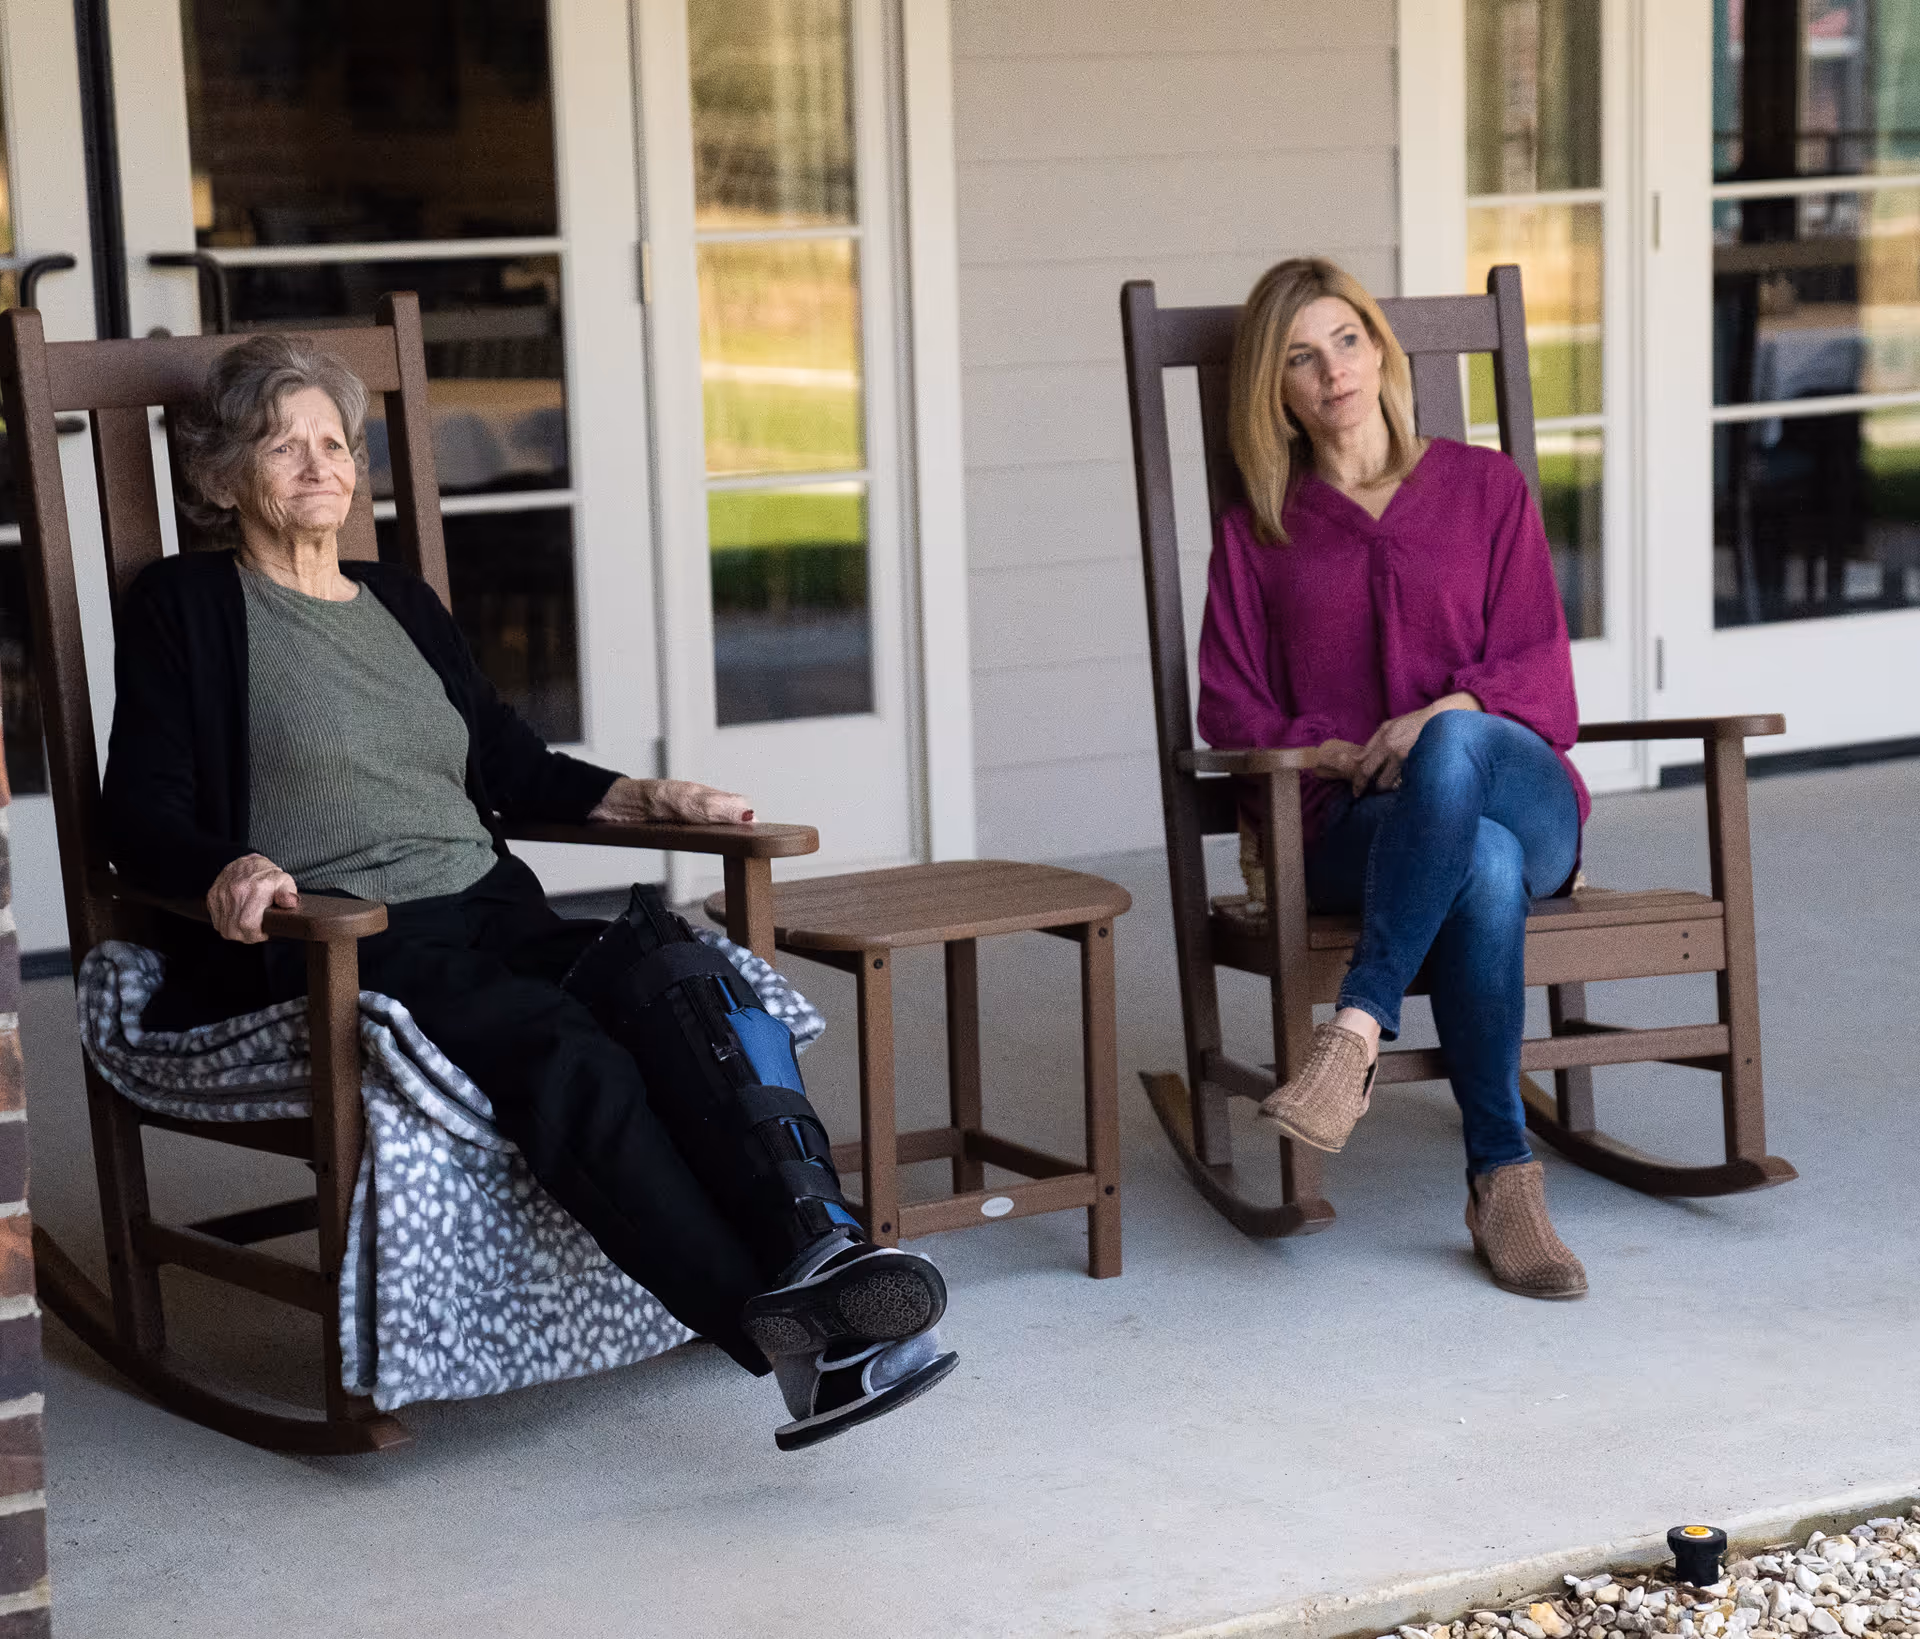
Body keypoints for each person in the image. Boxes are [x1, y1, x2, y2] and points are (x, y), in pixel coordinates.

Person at [102, 334, 957, 1446]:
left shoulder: (399, 602)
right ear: (221, 477)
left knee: (686, 979)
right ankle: (797, 1338)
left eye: (337, 444)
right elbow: (138, 808)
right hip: (355, 937)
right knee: (562, 1048)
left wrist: (639, 795)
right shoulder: (188, 608)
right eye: (282, 444)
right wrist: (228, 866)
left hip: (490, 908)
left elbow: (505, 763)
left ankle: (825, 1251)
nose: (321, 466)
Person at [1196, 257, 1591, 1300]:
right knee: (1482, 865)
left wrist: (1435, 719)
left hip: (1521, 786)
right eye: (1300, 357)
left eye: (1348, 340)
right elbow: (1230, 711)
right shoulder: (1259, 534)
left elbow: (1543, 671)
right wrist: (1337, 750)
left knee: (1460, 757)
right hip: (1360, 829)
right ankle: (1503, 1179)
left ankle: (1355, 1030)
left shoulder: (1486, 488)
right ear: (1272, 393)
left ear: (1380, 349)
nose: (1334, 372)